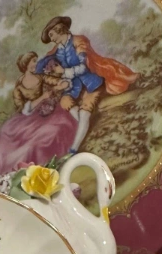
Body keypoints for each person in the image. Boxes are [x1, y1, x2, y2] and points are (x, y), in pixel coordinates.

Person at [36, 15, 138, 153]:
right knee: (65, 102)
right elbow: (41, 66)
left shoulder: (79, 41)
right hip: (73, 86)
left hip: (91, 82)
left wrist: (64, 71)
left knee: (84, 113)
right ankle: (85, 128)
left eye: (51, 34)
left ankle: (74, 149)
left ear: (59, 29)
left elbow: (83, 67)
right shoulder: (57, 49)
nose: (51, 39)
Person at [0, 52, 77, 176]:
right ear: (26, 64)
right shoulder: (19, 88)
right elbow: (21, 108)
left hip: (49, 113)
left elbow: (54, 81)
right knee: (3, 138)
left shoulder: (40, 77)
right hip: (28, 117)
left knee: (38, 142)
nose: (36, 64)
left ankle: (39, 173)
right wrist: (42, 98)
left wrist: (62, 84)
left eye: (36, 61)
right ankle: (11, 174)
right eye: (33, 61)